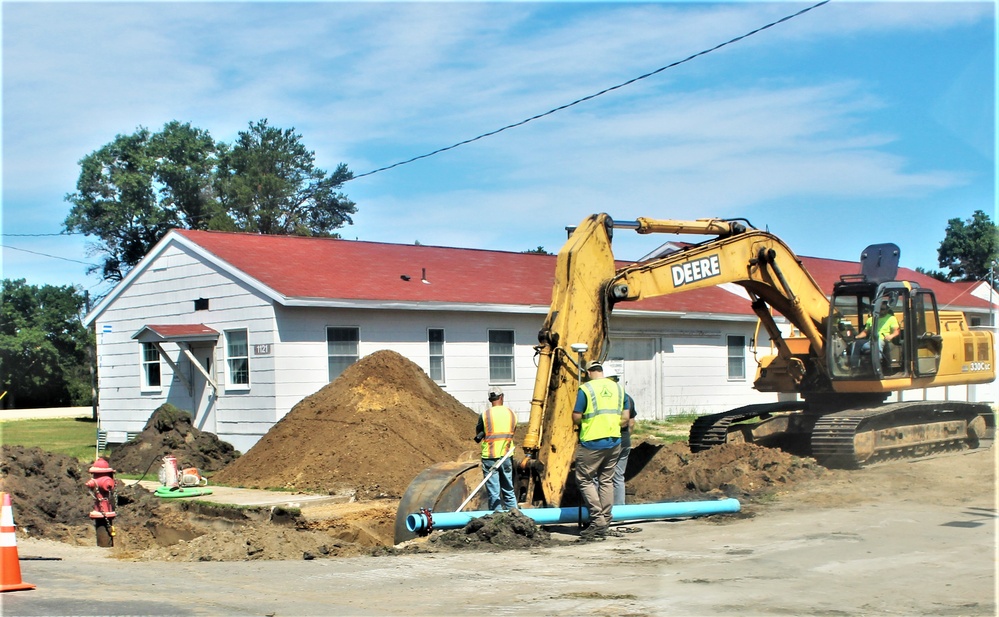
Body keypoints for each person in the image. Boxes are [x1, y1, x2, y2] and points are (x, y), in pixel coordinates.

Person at [573, 361, 630, 541]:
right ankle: (605, 519)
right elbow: (626, 418)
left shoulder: (586, 389)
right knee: (606, 480)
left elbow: (576, 416)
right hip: (614, 441)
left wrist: (583, 426)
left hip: (591, 441)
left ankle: (597, 519)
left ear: (589, 372)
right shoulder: (619, 389)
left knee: (584, 479)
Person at [474, 386, 518, 511]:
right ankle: (514, 517)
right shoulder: (511, 414)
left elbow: (479, 432)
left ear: (490, 399)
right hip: (506, 455)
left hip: (490, 456)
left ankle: (496, 521)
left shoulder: (485, 414)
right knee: (508, 490)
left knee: (494, 493)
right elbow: (512, 431)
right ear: (501, 397)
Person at [604, 365, 637, 506]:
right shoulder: (627, 397)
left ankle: (602, 511)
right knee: (618, 476)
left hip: (607, 441)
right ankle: (620, 511)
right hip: (624, 441)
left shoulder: (604, 398)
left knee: (602, 477)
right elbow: (631, 422)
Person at [850, 299, 901, 370]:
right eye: (879, 309)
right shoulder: (871, 319)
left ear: (887, 309)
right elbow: (865, 332)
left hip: (883, 340)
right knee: (856, 343)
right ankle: (854, 366)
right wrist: (856, 337)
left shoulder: (891, 318)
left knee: (878, 341)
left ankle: (877, 365)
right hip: (871, 340)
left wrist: (891, 336)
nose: (881, 311)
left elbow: (896, 331)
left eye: (883, 309)